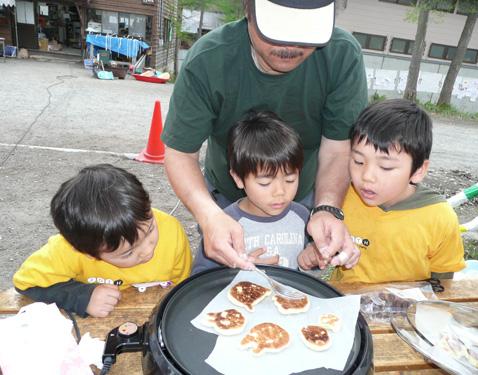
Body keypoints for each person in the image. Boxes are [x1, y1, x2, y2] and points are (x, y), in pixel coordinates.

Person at [162, 0, 367, 272]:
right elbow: (180, 153)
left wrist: (327, 208)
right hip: (225, 194)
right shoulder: (209, 60)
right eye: (278, 29)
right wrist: (210, 216)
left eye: (306, 33)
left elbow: (339, 148)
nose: (291, 46)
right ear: (249, 10)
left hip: (305, 192)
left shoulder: (341, 55)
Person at [298, 99, 465, 282]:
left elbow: (444, 284)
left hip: (407, 308)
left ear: (418, 171)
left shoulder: (439, 218)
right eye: (358, 162)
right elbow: (327, 249)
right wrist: (316, 251)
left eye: (385, 167)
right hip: (346, 303)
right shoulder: (342, 199)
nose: (367, 176)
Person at [13, 164, 192, 318]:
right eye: (128, 253)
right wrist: (83, 297)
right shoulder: (66, 250)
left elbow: (182, 288)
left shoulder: (171, 229)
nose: (147, 251)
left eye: (151, 229)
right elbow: (26, 282)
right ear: (86, 253)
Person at [191, 111, 310, 274]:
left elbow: (313, 271)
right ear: (238, 178)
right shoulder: (226, 224)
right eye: (265, 183)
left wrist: (312, 259)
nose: (280, 192)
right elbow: (200, 276)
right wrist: (237, 269)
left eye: (290, 180)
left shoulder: (302, 216)